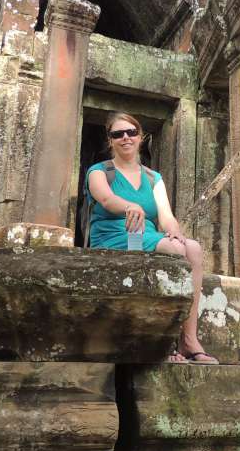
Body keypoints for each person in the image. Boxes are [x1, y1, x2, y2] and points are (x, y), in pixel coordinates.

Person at [86, 112, 218, 365]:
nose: (125, 138)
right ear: (110, 141)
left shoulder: (152, 177)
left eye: (131, 132)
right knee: (174, 251)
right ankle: (164, 341)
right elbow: (105, 199)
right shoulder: (99, 171)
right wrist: (129, 206)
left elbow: (165, 216)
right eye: (118, 134)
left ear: (141, 137)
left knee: (192, 248)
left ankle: (189, 339)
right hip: (113, 235)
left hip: (145, 234)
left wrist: (174, 229)